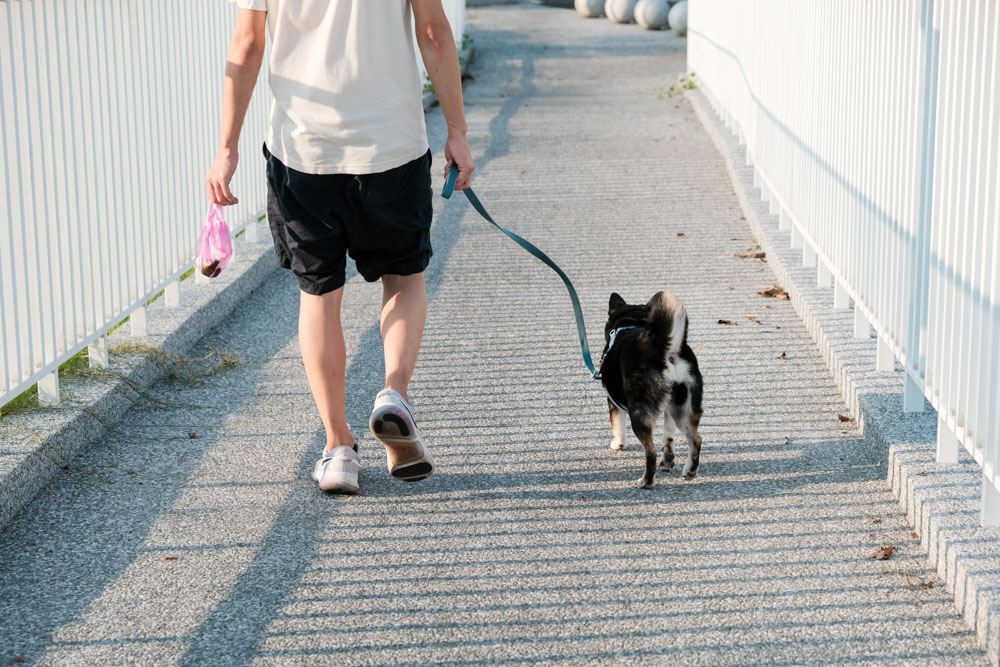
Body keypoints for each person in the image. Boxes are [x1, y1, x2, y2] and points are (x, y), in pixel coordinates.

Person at [205, 0, 474, 495]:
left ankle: (338, 450)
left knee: (319, 293)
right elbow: (433, 29)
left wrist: (227, 149)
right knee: (403, 277)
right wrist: (456, 130)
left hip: (303, 152)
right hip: (391, 145)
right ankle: (393, 394)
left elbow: (247, 44)